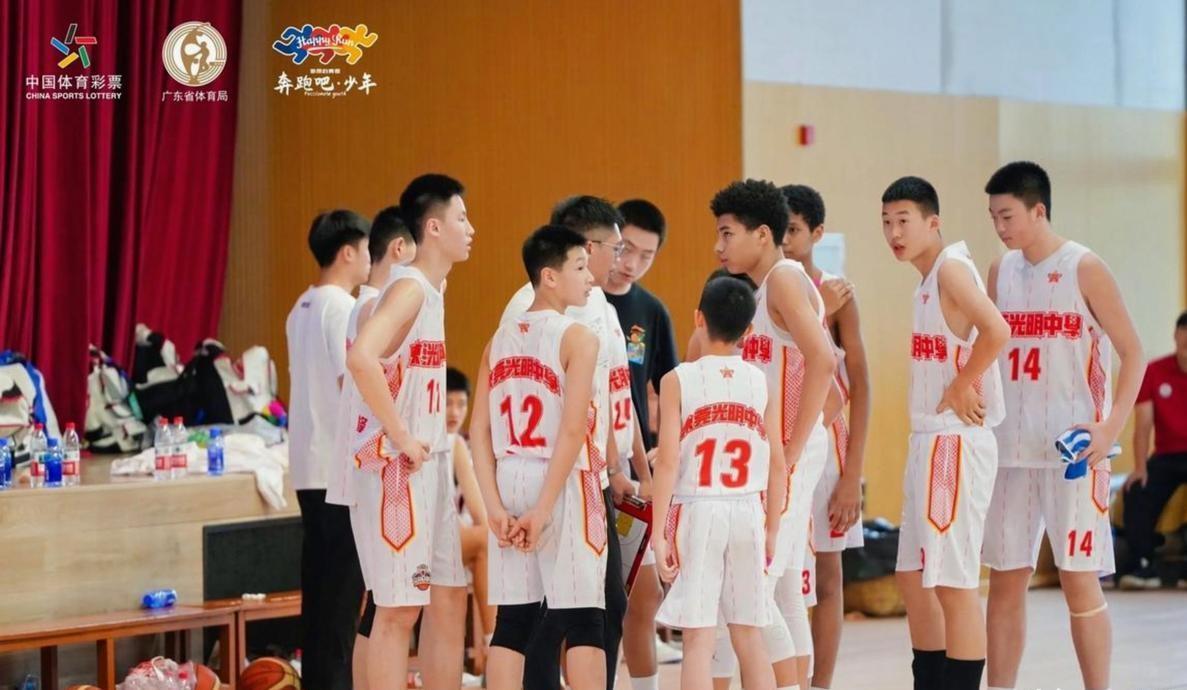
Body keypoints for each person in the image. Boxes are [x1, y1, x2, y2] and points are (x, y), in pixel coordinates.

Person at [981, 162, 1144, 690]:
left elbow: (1133, 352)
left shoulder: (1084, 267)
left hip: (1074, 452)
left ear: (1038, 210)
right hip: (1010, 450)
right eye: (993, 216)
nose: (999, 226)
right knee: (1005, 581)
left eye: (1007, 215)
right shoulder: (999, 271)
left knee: (1078, 580)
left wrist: (1110, 428)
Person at [501, 196, 650, 690]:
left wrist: (623, 466)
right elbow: (568, 416)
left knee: (597, 605)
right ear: (584, 248)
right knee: (561, 610)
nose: (621, 259)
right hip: (557, 473)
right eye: (614, 248)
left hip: (588, 470)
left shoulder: (598, 304)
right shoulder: (531, 311)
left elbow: (612, 396)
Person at [345, 174, 474, 690]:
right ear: (434, 227)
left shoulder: (434, 289)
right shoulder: (409, 288)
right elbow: (361, 358)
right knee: (397, 611)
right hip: (394, 468)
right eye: (462, 218)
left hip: (431, 462)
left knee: (449, 596)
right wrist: (401, 435)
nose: (471, 228)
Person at [882, 176, 1008, 690]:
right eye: (886, 222)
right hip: (929, 440)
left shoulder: (951, 268)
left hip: (954, 441)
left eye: (903, 221)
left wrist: (961, 383)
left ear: (933, 222)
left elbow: (998, 330)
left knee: (954, 585)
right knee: (913, 578)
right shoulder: (928, 278)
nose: (893, 232)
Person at [710, 179, 836, 690]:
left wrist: (793, 447)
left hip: (789, 453)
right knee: (782, 589)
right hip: (779, 452)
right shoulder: (762, 289)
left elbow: (825, 362)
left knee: (753, 589)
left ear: (762, 234)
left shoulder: (783, 279)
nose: (718, 247)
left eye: (727, 234)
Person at [470, 224, 606, 690]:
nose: (590, 278)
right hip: (562, 478)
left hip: (510, 476)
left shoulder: (498, 339)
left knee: (514, 619)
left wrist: (493, 506)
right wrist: (544, 508)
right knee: (585, 618)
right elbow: (572, 429)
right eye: (581, 267)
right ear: (549, 276)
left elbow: (479, 430)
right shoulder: (578, 338)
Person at [651, 275, 786, 690]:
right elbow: (777, 463)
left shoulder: (677, 379)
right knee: (749, 636)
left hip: (698, 510)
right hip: (747, 510)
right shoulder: (761, 381)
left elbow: (668, 461)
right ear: (749, 330)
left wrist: (658, 533)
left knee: (698, 640)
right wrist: (772, 529)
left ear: (698, 318)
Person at [779, 184, 871, 690]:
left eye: (794, 230)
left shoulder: (837, 294)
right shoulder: (762, 288)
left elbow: (862, 386)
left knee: (829, 577)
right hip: (778, 446)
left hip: (825, 447)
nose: (785, 240)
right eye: (779, 230)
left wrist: (852, 475)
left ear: (816, 233)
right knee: (781, 574)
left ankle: (822, 684)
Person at [325, 206, 417, 690]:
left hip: (366, 463)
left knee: (377, 605)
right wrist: (403, 434)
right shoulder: (375, 307)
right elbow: (362, 370)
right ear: (401, 249)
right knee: (386, 608)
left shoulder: (365, 305)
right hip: (378, 464)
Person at [285, 209, 371, 690]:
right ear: (348, 253)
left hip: (307, 469)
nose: (369, 259)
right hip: (337, 472)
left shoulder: (300, 307)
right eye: (366, 250)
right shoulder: (341, 307)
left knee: (318, 604)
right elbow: (350, 382)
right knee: (339, 607)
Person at [605, 198, 683, 685]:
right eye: (625, 249)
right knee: (593, 601)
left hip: (635, 473)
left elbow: (671, 388)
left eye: (645, 255)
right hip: (588, 465)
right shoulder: (581, 300)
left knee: (645, 593)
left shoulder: (651, 312)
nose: (631, 263)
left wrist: (660, 456)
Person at [1121, 310, 1187, 590]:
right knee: (1137, 490)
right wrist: (1140, 467)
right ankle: (1144, 564)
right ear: (1175, 336)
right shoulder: (1155, 371)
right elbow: (1143, 426)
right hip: (1167, 456)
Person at [445, 366, 497, 658]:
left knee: (492, 539)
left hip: (447, 536)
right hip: (419, 536)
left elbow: (479, 510)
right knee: (486, 542)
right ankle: (494, 645)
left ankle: (496, 645)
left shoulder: (457, 442)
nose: (454, 412)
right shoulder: (435, 439)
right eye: (447, 403)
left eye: (461, 404)